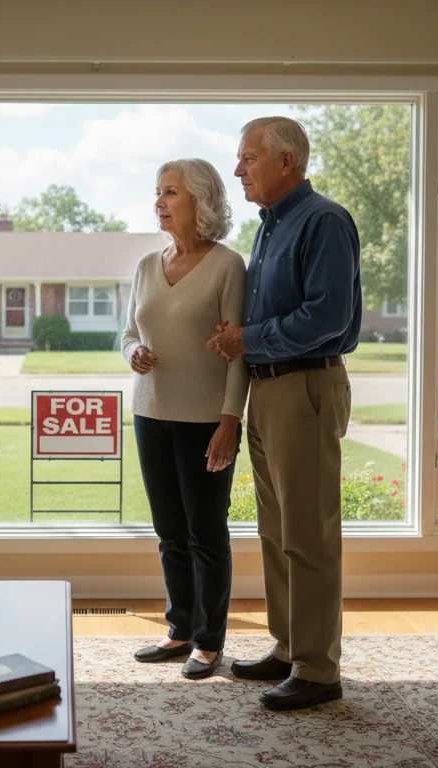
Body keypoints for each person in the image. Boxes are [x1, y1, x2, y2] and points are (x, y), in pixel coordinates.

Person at [207, 116, 362, 711]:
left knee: (309, 535)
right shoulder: (271, 227)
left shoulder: (322, 220)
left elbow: (328, 319)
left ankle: (320, 669)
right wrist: (241, 341)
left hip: (305, 390)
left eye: (247, 158)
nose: (239, 169)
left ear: (286, 161)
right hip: (269, 389)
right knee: (276, 533)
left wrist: (248, 339)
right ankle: (289, 646)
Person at [122, 158, 248, 680]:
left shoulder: (227, 266)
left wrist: (229, 420)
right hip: (149, 412)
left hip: (205, 419)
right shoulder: (147, 266)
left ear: (200, 201)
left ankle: (209, 640)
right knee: (169, 531)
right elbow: (129, 332)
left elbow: (238, 352)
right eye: (157, 192)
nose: (159, 201)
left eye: (170, 192)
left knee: (205, 532)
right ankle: (179, 629)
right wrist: (133, 353)